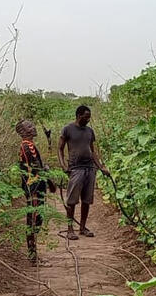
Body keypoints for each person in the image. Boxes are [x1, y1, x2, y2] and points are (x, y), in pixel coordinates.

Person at [58, 105, 109, 239]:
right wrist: (64, 166)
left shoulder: (89, 131)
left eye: (89, 117)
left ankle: (82, 228)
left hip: (90, 169)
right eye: (86, 117)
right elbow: (60, 149)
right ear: (79, 116)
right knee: (72, 201)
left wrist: (101, 167)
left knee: (87, 200)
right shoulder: (68, 129)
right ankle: (70, 230)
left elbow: (92, 151)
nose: (88, 120)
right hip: (75, 169)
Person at [17, 119, 55, 265]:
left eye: (33, 125)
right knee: (33, 220)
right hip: (32, 188)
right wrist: (49, 180)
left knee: (36, 219)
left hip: (36, 187)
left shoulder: (30, 145)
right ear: (22, 131)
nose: (33, 128)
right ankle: (33, 257)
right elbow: (35, 168)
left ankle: (33, 254)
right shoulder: (26, 146)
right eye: (29, 126)